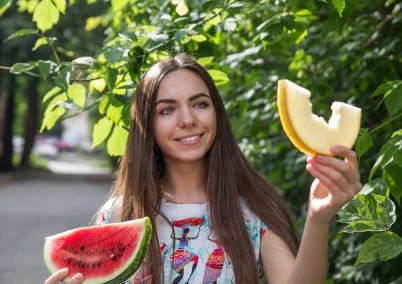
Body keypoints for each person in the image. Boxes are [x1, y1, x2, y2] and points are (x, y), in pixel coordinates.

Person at [45, 54, 362, 284]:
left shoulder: (253, 211)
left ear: (216, 114)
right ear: (147, 126)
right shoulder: (118, 215)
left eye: (200, 104)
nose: (188, 119)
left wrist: (318, 219)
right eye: (167, 109)